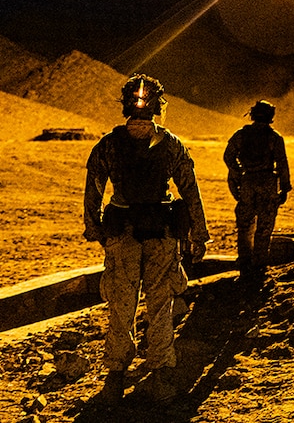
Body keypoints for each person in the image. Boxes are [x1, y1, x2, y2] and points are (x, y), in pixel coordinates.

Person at [83, 74, 210, 405]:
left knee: (121, 308)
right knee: (161, 306)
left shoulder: (108, 145)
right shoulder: (171, 144)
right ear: (157, 106)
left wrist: (95, 228)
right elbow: (190, 189)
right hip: (161, 234)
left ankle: (115, 379)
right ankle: (162, 378)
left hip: (122, 234)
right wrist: (200, 232)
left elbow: (93, 190)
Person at [223, 100, 291, 280]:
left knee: (245, 225)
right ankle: (259, 265)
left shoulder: (241, 135)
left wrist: (238, 174)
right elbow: (282, 164)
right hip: (267, 183)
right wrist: (284, 188)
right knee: (264, 225)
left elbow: (228, 156)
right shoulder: (274, 138)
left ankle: (245, 265)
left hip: (248, 182)